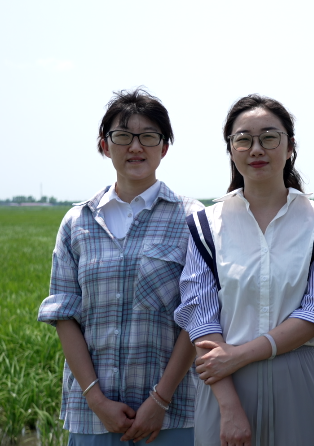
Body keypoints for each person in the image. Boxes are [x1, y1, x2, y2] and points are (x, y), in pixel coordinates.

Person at [173, 94, 314, 446]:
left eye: (269, 138)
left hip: (298, 377)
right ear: (231, 149)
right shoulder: (206, 227)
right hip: (223, 382)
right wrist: (228, 406)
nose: (256, 149)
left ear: (290, 147)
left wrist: (239, 355)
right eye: (243, 139)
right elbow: (200, 317)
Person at [38, 89, 201, 445]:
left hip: (173, 415)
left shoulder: (191, 218)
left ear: (164, 148)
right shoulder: (77, 221)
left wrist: (160, 400)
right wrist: (96, 401)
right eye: (123, 136)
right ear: (105, 145)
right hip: (93, 417)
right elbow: (64, 314)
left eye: (149, 136)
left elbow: (199, 313)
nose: (135, 147)